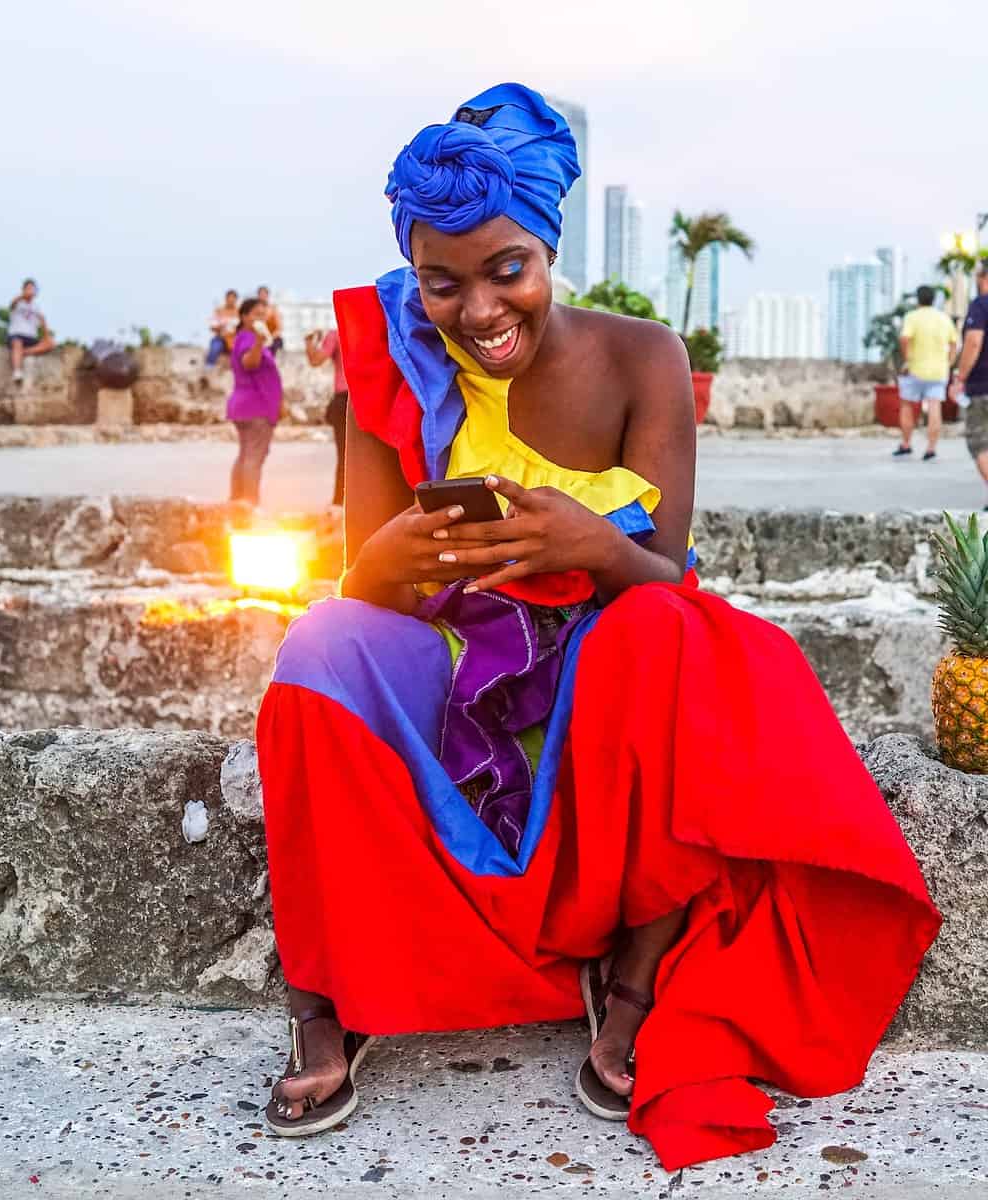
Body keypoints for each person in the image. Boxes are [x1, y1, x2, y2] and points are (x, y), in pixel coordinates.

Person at [254, 84, 940, 1170]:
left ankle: (629, 983)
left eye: (506, 270)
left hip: (600, 661)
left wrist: (588, 544)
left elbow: (664, 567)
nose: (478, 311)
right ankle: (331, 993)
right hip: (451, 648)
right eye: (443, 282)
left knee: (663, 631)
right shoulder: (393, 354)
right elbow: (364, 579)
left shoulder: (643, 359)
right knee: (316, 650)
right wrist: (391, 558)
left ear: (547, 249)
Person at [227, 297, 282, 505]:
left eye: (263, 314)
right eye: (257, 314)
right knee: (253, 458)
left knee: (245, 455)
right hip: (255, 407)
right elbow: (249, 363)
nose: (262, 318)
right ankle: (249, 503)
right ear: (244, 316)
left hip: (247, 406)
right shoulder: (249, 339)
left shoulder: (245, 338)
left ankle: (237, 501)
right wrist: (259, 341)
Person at [894, 285, 958, 459]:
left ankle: (906, 444)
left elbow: (905, 338)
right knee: (934, 407)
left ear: (918, 299)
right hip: (939, 371)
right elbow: (954, 343)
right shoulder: (944, 319)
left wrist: (907, 360)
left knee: (907, 405)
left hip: (915, 368)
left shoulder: (912, 317)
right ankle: (931, 448)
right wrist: (950, 362)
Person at [952, 262, 988, 500]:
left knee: (979, 443)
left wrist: (959, 378)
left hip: (983, 386)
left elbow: (973, 342)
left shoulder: (981, 304)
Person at [304, 325, 347, 505]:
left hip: (344, 399)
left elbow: (315, 360)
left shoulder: (336, 333)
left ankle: (339, 502)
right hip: (365, 398)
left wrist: (309, 342)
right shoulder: (375, 328)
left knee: (344, 456)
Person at [7, 278, 55, 383]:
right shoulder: (18, 303)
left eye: (32, 289)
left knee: (50, 343)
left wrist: (47, 336)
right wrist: (24, 295)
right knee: (17, 343)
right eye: (28, 288)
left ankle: (22, 353)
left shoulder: (36, 307)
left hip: (31, 337)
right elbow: (12, 303)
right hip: (16, 335)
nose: (30, 291)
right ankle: (17, 372)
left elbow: (43, 322)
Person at [206, 290, 241, 366]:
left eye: (233, 298)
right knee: (214, 349)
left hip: (235, 339)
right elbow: (212, 326)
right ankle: (208, 369)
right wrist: (221, 326)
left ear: (236, 300)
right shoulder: (219, 310)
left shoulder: (240, 312)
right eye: (229, 298)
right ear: (226, 299)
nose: (231, 300)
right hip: (221, 338)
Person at [256, 286, 284, 355]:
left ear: (267, 295)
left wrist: (270, 338)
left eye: (264, 294)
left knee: (273, 344)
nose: (262, 296)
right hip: (259, 338)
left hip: (273, 337)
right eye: (260, 294)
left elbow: (279, 328)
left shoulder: (273, 309)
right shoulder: (254, 310)